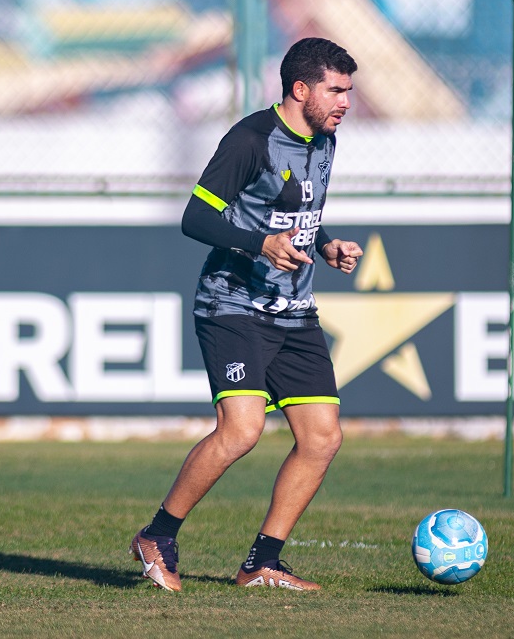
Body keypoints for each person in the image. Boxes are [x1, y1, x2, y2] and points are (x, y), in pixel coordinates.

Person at [130, 37, 363, 592]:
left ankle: (263, 563)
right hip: (232, 305)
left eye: (349, 91)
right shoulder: (250, 140)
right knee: (242, 430)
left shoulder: (325, 139)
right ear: (299, 89)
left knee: (323, 437)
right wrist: (261, 244)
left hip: (295, 311)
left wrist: (324, 244)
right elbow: (194, 218)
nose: (345, 102)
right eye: (336, 90)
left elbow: (298, 209)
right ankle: (157, 535)